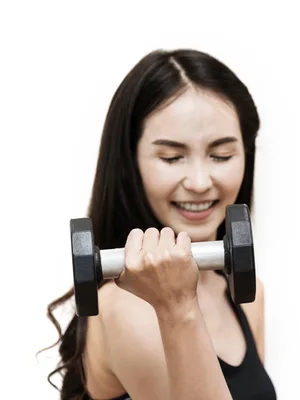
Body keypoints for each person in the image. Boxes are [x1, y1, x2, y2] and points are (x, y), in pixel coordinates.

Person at [41, 48, 277, 400]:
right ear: (130, 164)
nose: (199, 181)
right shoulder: (122, 311)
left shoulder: (247, 295)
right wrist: (177, 306)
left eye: (221, 155)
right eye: (172, 157)